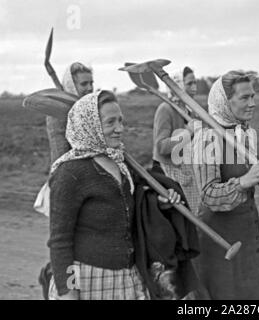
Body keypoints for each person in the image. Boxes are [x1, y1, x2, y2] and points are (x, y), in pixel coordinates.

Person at [47, 90, 182, 300]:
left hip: (127, 277)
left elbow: (134, 206)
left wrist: (161, 202)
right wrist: (69, 291)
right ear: (90, 125)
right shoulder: (69, 173)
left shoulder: (121, 163)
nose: (119, 129)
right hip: (88, 280)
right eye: (110, 122)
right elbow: (60, 241)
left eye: (121, 121)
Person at [191, 71, 259, 300]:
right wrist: (244, 181)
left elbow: (254, 175)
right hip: (219, 241)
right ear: (225, 102)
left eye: (253, 97)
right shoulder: (207, 137)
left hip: (249, 232)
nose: (252, 104)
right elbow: (209, 195)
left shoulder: (242, 132)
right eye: (244, 98)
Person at [38, 62, 94, 299]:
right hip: (68, 187)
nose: (90, 88)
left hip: (91, 185)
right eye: (84, 84)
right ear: (72, 85)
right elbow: (61, 157)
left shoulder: (91, 110)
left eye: (92, 83)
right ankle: (53, 278)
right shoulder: (57, 114)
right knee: (67, 246)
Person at [152, 66, 201, 215]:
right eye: (189, 84)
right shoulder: (165, 109)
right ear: (178, 86)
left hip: (186, 170)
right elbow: (161, 146)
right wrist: (188, 132)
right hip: (169, 173)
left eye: (195, 83)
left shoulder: (190, 110)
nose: (195, 88)